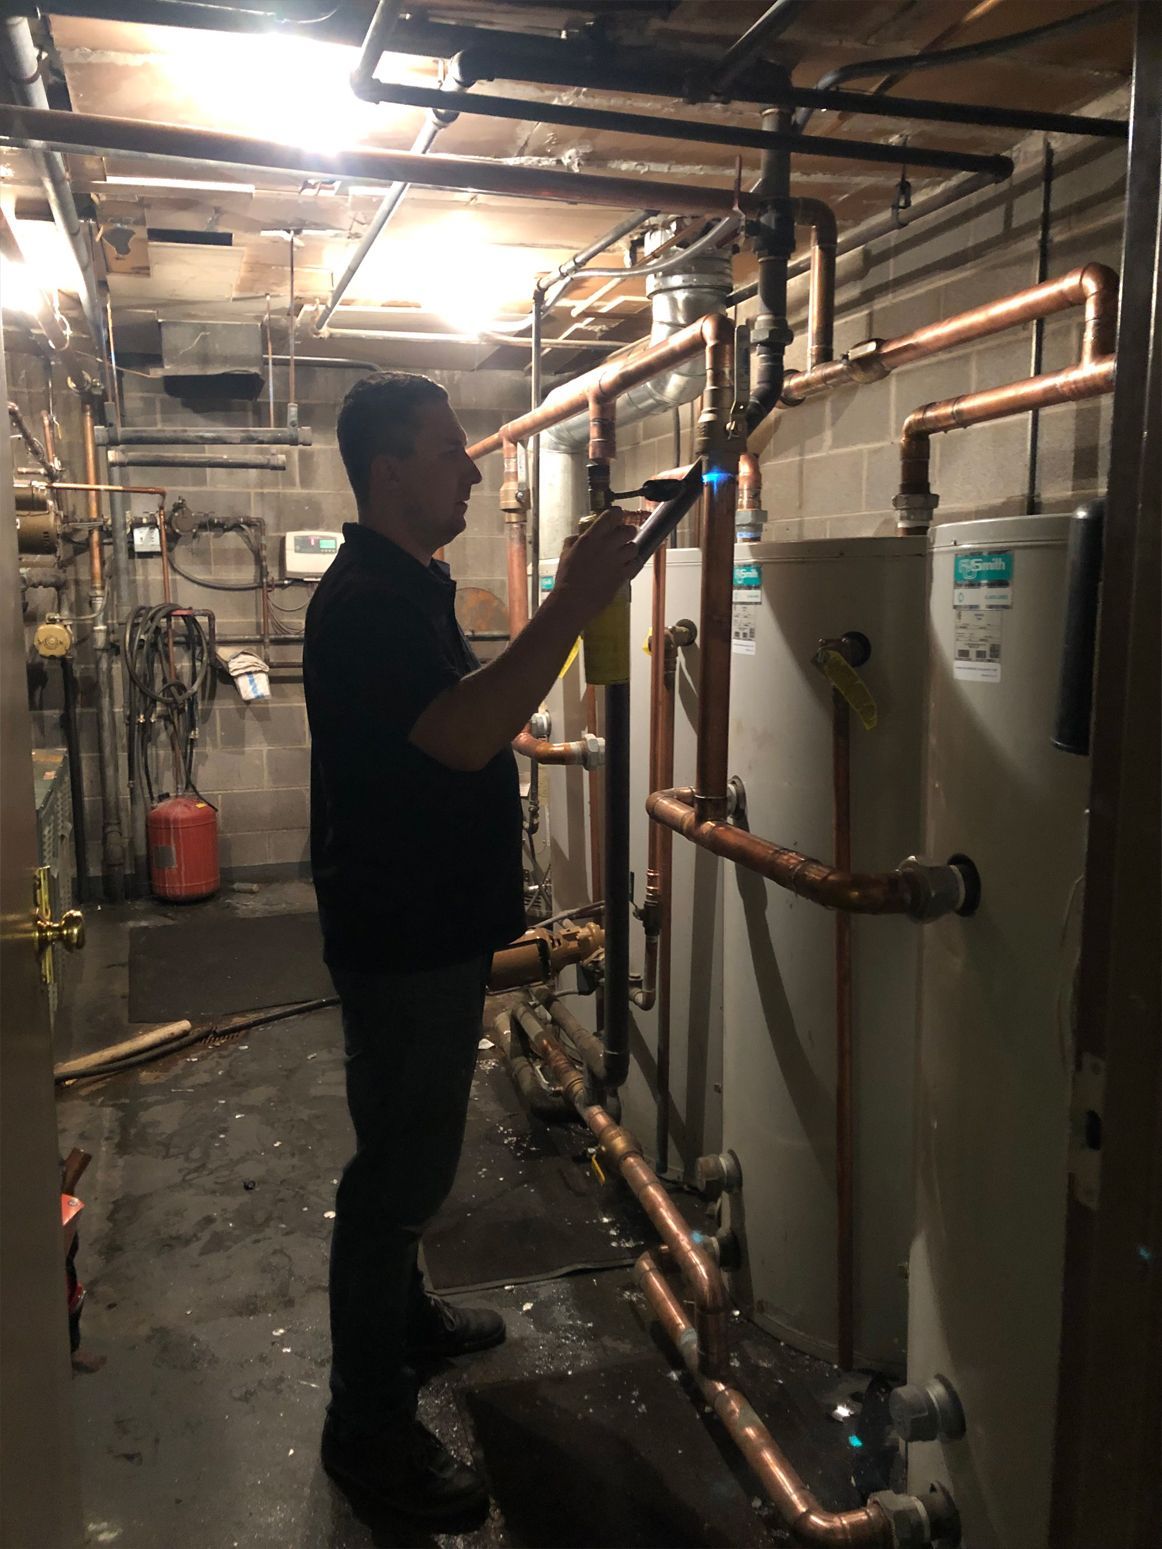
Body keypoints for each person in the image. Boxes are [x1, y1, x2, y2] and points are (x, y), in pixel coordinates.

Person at [304, 371, 636, 1520]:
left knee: (404, 1154)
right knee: (396, 1177)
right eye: (450, 452)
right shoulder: (366, 603)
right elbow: (465, 732)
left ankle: (402, 1321)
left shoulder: (409, 584)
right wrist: (576, 594)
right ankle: (367, 1427)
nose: (475, 468)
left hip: (421, 922)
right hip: (401, 934)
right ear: (388, 470)